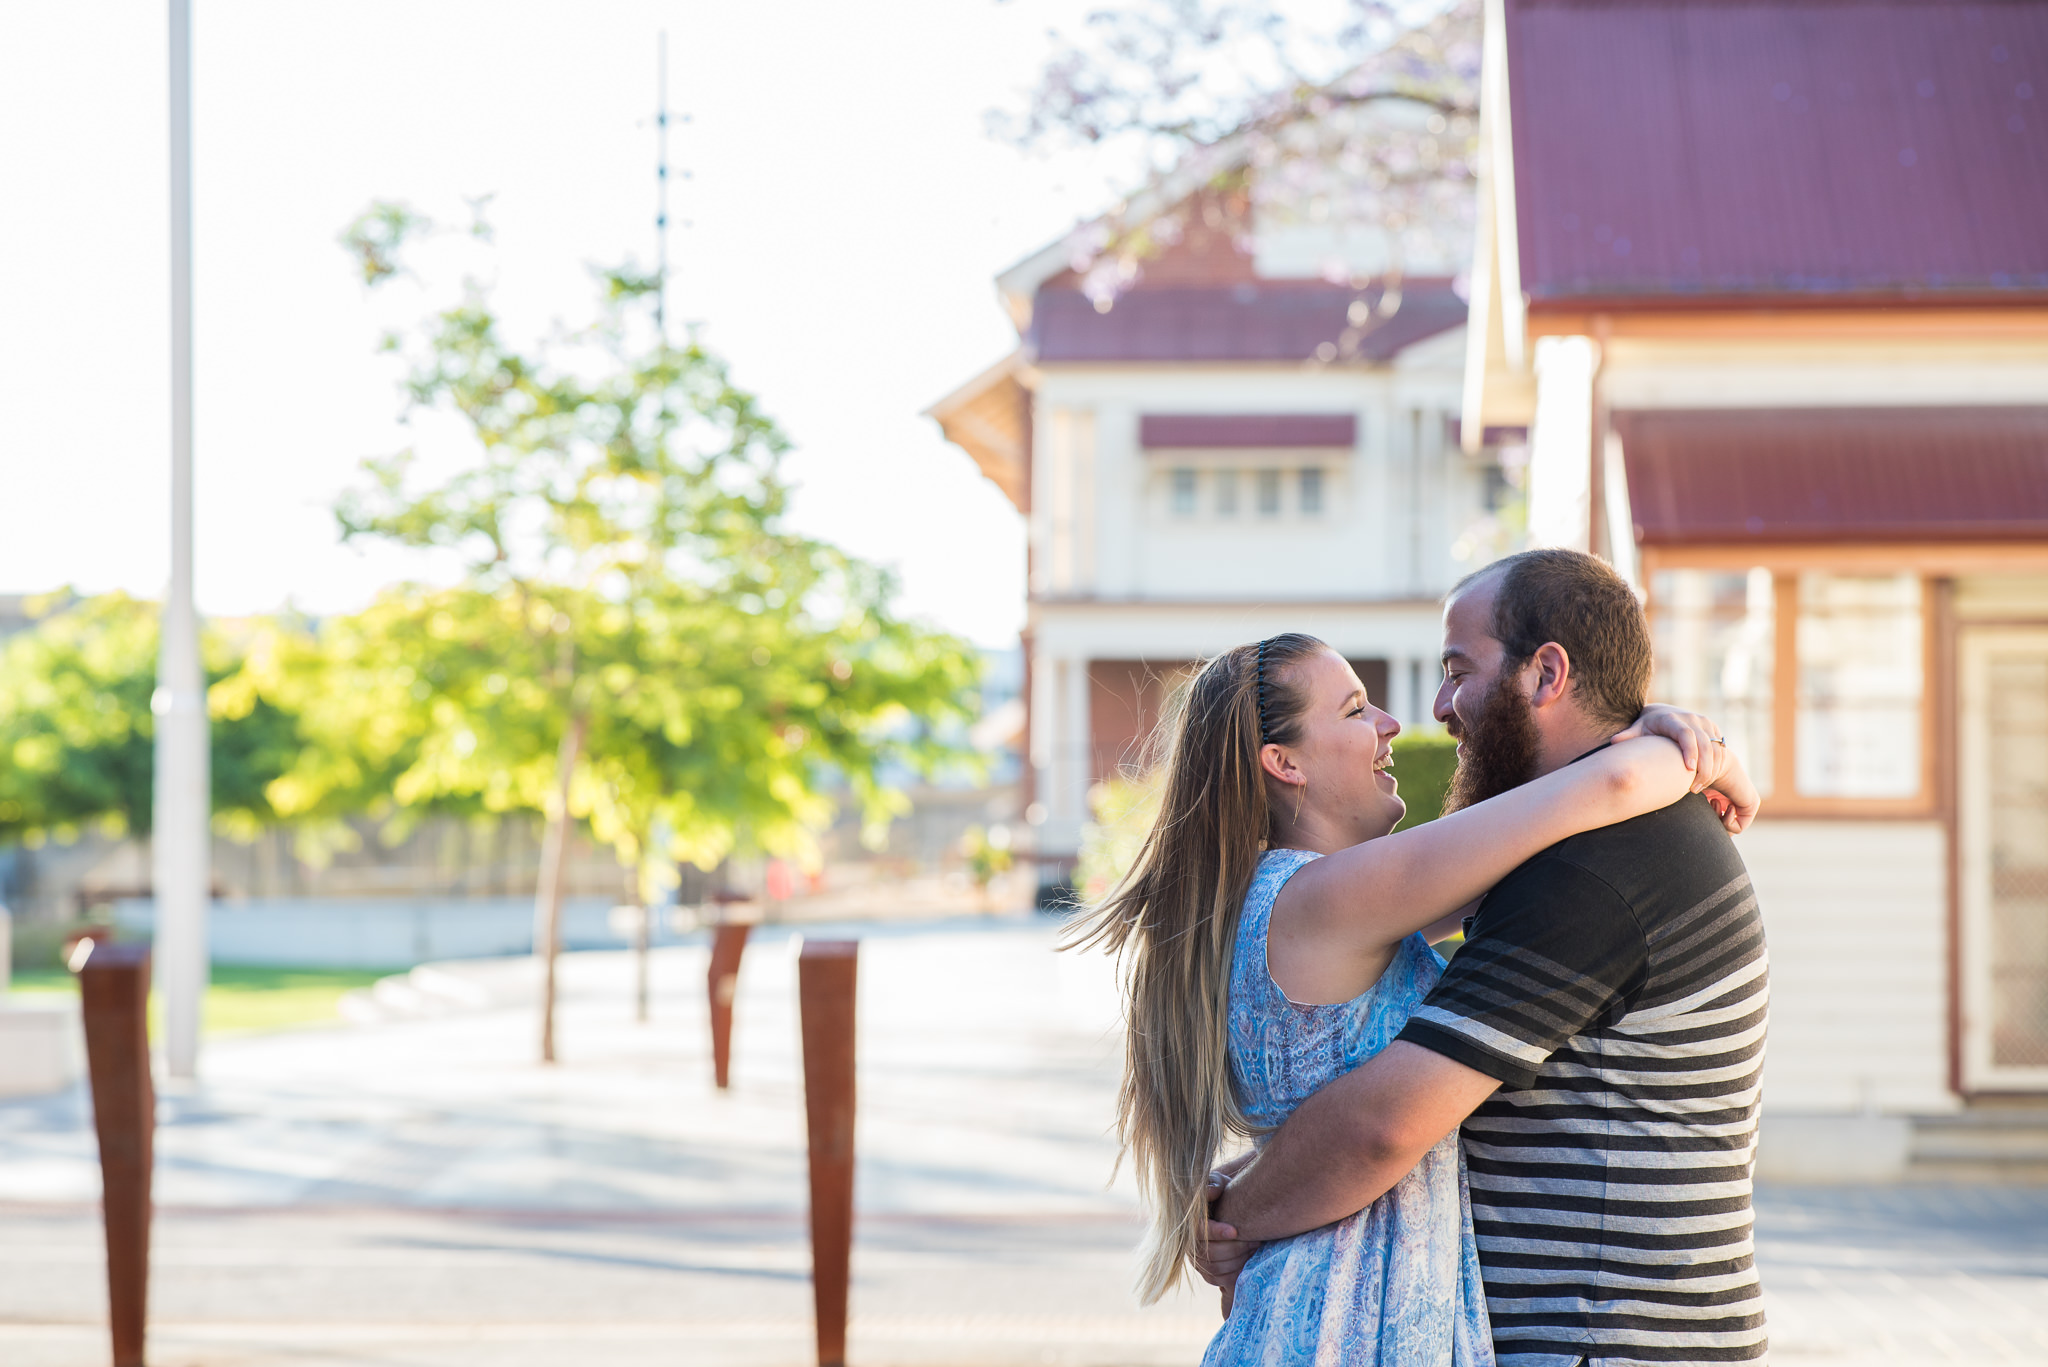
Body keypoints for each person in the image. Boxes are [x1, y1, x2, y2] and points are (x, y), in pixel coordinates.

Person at [1066, 556, 1758, 1366]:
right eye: (1357, 708)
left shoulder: (1561, 872)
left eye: (1456, 671)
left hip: (1497, 1327)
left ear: (1548, 671)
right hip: (1348, 1321)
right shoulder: (1330, 896)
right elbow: (1375, 1126)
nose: (1411, 718)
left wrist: (1241, 1201)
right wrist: (1691, 752)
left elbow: (1373, 1114)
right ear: (1284, 762)